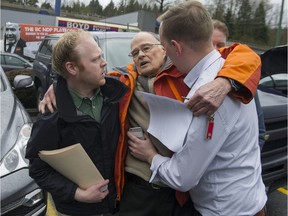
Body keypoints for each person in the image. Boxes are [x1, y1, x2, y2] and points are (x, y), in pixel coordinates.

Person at [40, 33, 262, 216]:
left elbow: (244, 54)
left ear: (166, 48)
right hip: (140, 191)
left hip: (184, 194)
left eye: (146, 48)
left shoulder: (191, 75)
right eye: (135, 53)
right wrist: (59, 87)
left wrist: (224, 83)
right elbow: (80, 80)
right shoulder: (123, 81)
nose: (141, 55)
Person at [128, 1, 267, 215]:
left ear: (177, 47)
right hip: (251, 200)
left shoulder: (206, 97)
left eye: (165, 49)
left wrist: (150, 155)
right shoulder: (228, 73)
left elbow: (182, 177)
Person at [25, 30, 128, 216]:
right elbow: (38, 169)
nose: (104, 62)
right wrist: (77, 194)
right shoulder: (52, 116)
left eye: (102, 56)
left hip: (115, 206)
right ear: (72, 68)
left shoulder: (115, 96)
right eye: (96, 59)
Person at [212, 19, 266, 150]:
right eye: (210, 44)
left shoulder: (243, 82)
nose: (215, 50)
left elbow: (260, 131)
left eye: (220, 45)